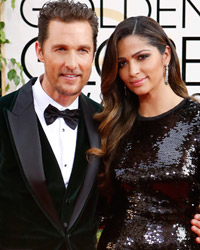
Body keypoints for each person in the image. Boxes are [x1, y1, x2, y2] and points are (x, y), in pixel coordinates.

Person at [90, 16, 200, 249]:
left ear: (165, 55)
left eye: (142, 57)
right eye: (122, 63)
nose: (133, 71)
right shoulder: (112, 124)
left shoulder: (196, 120)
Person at [0, 0, 102, 249]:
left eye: (82, 50)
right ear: (39, 51)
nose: (72, 63)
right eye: (60, 49)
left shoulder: (104, 121)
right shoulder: (3, 114)